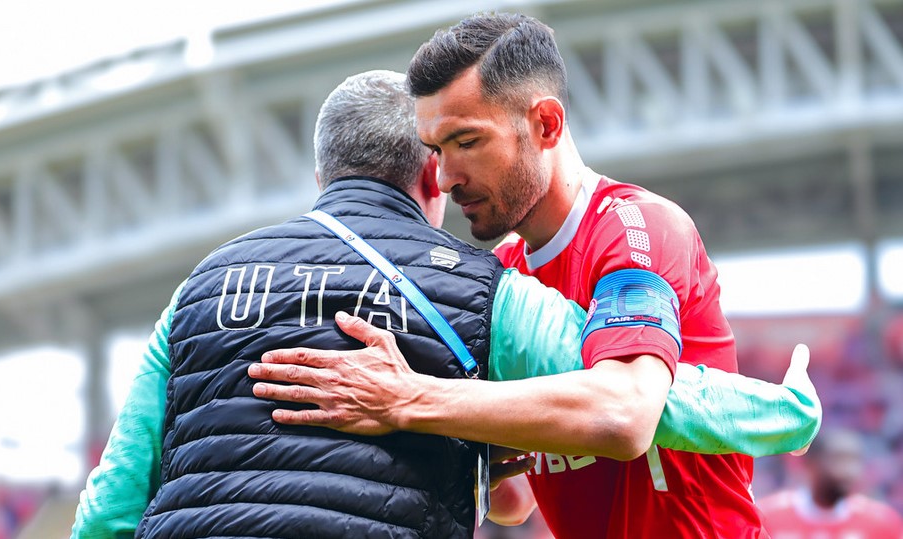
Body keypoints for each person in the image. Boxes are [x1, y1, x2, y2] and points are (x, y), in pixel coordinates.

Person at [72, 69, 818, 539]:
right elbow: (641, 398)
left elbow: (112, 503)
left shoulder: (199, 286)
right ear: (432, 175)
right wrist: (786, 410)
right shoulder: (479, 288)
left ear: (323, 175)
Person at [245, 12, 795, 539]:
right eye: (435, 150)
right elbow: (513, 502)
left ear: (546, 124)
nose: (445, 177)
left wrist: (408, 397)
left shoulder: (636, 229)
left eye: (466, 142)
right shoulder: (499, 276)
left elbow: (625, 414)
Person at [757, 427, 903, 538]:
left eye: (854, 461)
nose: (848, 471)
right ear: (810, 464)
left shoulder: (882, 522)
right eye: (838, 460)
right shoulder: (766, 516)